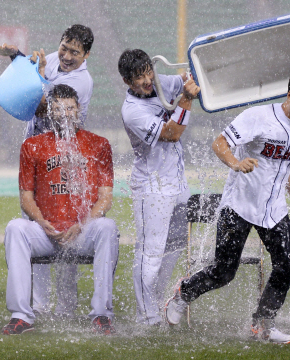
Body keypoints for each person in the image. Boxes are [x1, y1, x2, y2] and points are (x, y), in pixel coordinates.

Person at [165, 69, 290, 344]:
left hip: (274, 209)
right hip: (238, 205)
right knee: (224, 272)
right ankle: (183, 293)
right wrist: (236, 163)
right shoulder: (259, 117)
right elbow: (220, 143)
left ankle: (263, 325)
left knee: (287, 266)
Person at [0, 24, 95, 317]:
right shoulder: (54, 58)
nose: (67, 55)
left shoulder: (81, 81)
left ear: (86, 55)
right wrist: (16, 56)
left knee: (64, 228)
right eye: (64, 47)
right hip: (36, 156)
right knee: (34, 227)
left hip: (63, 161)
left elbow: (43, 109)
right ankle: (39, 304)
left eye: (75, 52)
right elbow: (30, 75)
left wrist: (35, 76)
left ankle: (65, 305)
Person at [2, 84, 119, 335]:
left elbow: (105, 199)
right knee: (15, 228)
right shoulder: (32, 146)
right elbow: (26, 198)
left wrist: (83, 224)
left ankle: (101, 315)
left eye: (69, 108)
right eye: (57, 108)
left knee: (107, 226)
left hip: (82, 233)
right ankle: (21, 316)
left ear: (79, 110)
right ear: (49, 113)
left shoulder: (99, 144)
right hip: (46, 233)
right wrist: (41, 221)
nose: (64, 113)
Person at [118, 49, 200, 325]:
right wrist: (187, 99)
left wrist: (195, 74)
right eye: (138, 78)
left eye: (147, 72)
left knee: (176, 245)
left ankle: (158, 300)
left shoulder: (158, 81)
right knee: (149, 252)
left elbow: (186, 78)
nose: (146, 80)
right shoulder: (132, 112)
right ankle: (146, 316)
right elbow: (171, 134)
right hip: (151, 187)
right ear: (128, 82)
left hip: (177, 183)